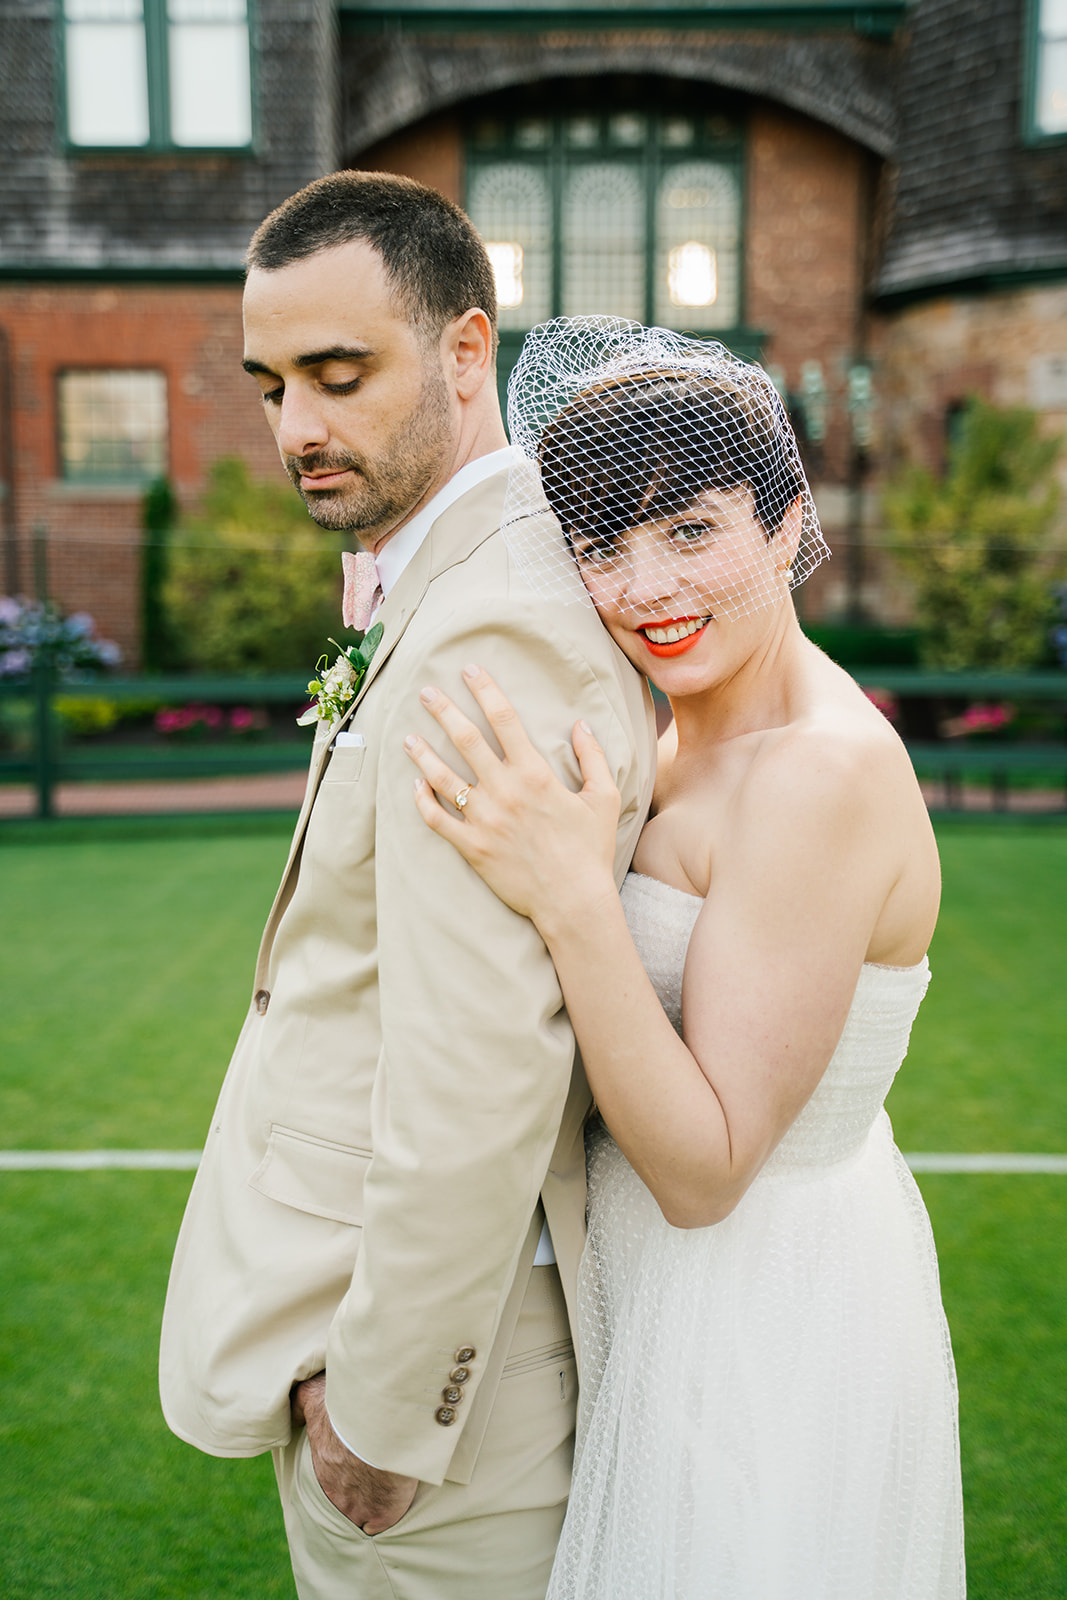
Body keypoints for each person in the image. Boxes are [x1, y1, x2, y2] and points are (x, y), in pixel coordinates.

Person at [404, 317, 966, 1599]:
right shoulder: (676, 736)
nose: (645, 585)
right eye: (601, 545)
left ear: (783, 524)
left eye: (691, 530)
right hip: (656, 1290)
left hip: (762, 1307)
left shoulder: (816, 773)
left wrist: (570, 898)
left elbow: (708, 1171)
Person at [159, 188, 657, 1600]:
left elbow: (483, 1060)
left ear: (461, 352)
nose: (295, 427)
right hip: (358, 1328)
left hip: (436, 1421)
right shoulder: (439, 578)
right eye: (269, 386)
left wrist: (384, 1415)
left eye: (337, 375)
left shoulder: (492, 617)